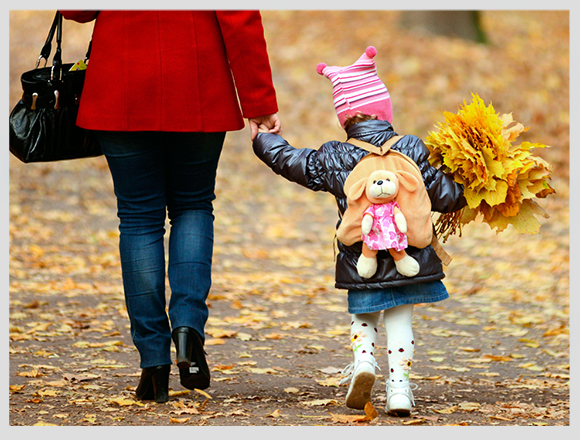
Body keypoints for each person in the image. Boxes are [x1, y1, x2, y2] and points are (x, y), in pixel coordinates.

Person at [60, 10, 281, 403]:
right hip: (198, 81)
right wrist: (258, 100)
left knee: (139, 219)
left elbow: (76, 10)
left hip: (121, 84)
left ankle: (153, 362)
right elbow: (240, 17)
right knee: (193, 206)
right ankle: (188, 331)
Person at [252, 46, 465, 416]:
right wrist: (470, 184)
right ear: (385, 111)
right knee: (400, 319)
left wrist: (264, 139)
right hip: (409, 257)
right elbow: (445, 196)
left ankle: (364, 362)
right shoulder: (413, 148)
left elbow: (292, 162)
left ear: (344, 118)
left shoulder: (335, 156)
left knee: (363, 316)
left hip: (359, 257)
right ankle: (399, 389)